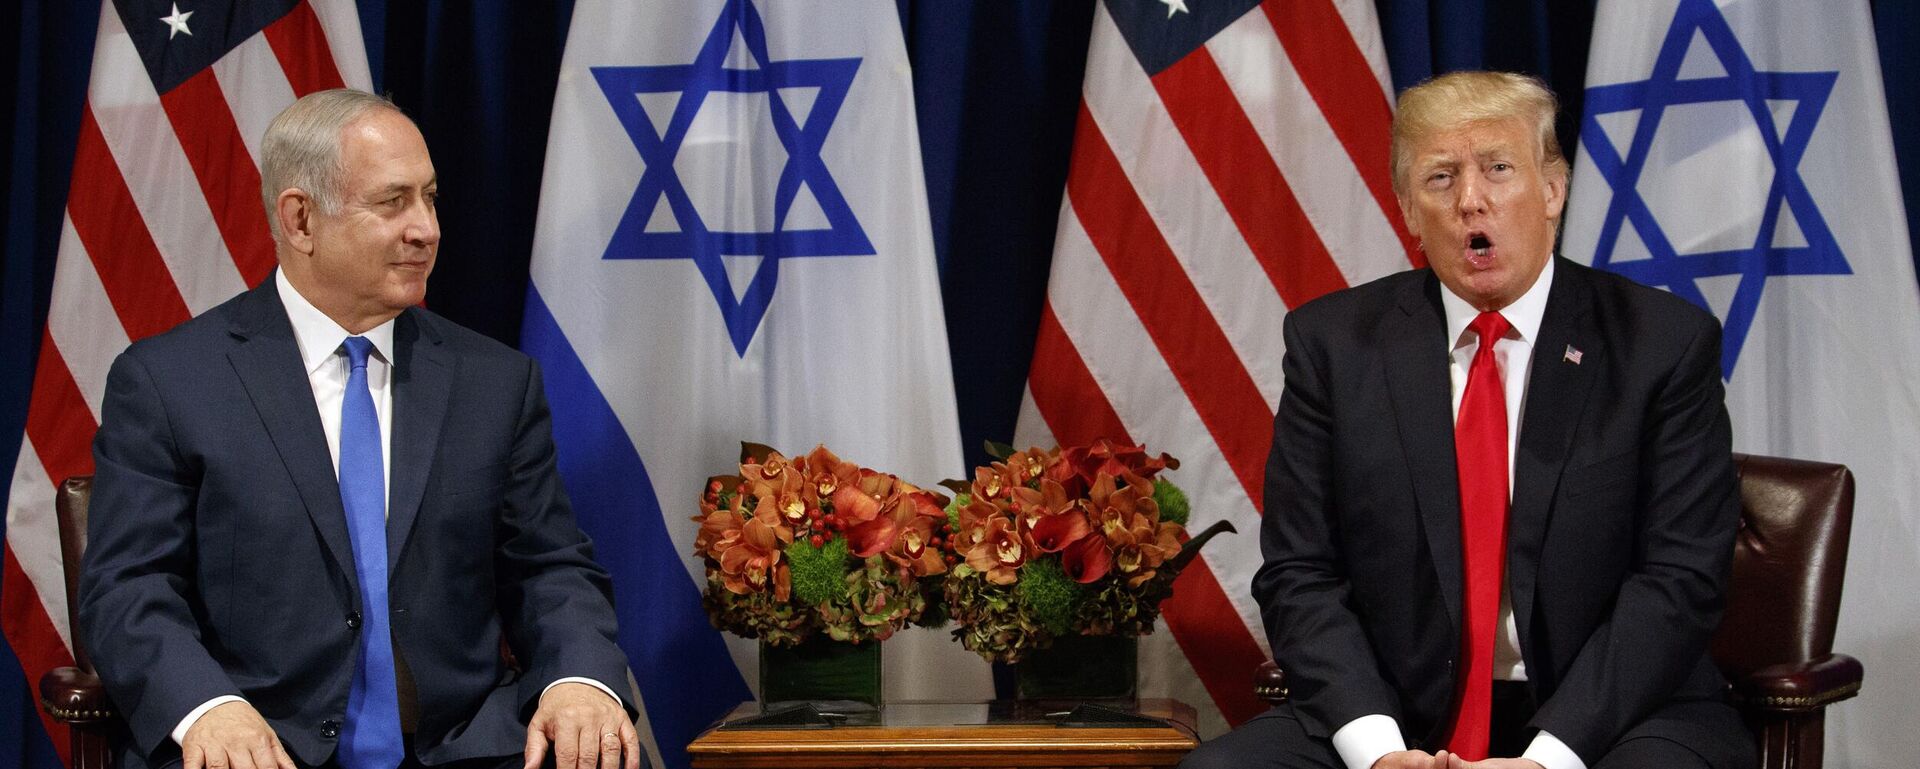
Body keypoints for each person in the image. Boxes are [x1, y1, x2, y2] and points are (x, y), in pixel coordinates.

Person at [1181, 72, 1753, 769]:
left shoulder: (1662, 344)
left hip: (1612, 718)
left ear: (1552, 190)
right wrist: (1377, 749)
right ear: (1408, 212)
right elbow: (1300, 572)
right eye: (1441, 179)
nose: (1471, 201)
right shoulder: (1333, 346)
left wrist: (1550, 757)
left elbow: (1679, 578)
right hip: (1397, 712)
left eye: (1499, 169)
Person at [79, 89, 641, 769]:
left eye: (431, 198)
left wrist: (577, 681)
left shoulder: (495, 383)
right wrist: (208, 708)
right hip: (258, 742)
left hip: (461, 744)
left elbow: (551, 568)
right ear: (300, 219)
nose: (427, 228)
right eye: (393, 201)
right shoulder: (170, 382)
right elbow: (128, 588)